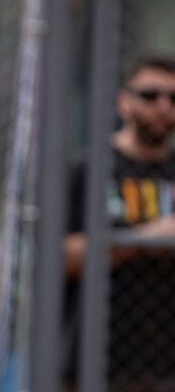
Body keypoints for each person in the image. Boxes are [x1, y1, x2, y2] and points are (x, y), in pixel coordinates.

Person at [64, 55, 175, 390]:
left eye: (173, 98)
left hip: (166, 364)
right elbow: (65, 256)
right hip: (96, 359)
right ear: (124, 102)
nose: (163, 106)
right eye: (150, 95)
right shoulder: (89, 167)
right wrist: (151, 237)